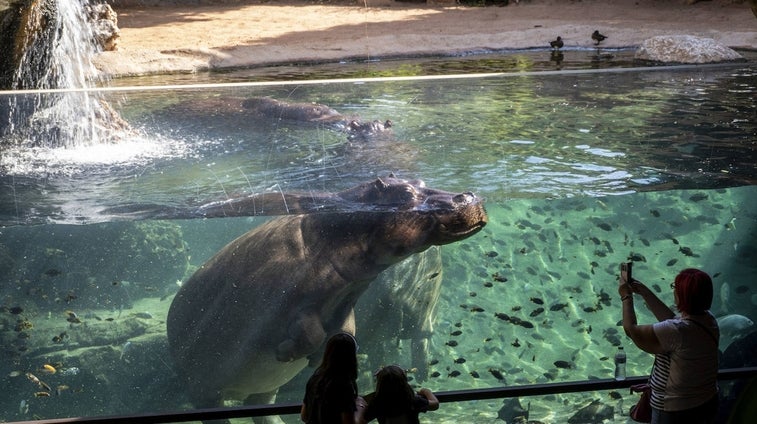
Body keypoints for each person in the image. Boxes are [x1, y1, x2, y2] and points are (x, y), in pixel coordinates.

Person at [618, 267, 720, 423]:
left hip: (676, 410)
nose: (674, 291)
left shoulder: (677, 331)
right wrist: (645, 292)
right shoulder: (707, 319)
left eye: (675, 287)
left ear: (683, 295)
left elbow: (631, 331)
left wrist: (626, 297)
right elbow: (673, 320)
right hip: (706, 401)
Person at [301, 332, 366, 424]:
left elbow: (304, 416)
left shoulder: (315, 378)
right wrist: (360, 408)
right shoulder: (344, 386)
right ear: (352, 356)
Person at [361, 364, 439, 424]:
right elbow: (435, 404)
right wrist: (426, 391)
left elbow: (362, 420)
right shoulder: (412, 400)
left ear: (380, 385)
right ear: (404, 383)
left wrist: (359, 403)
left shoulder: (377, 403)